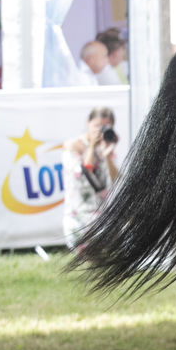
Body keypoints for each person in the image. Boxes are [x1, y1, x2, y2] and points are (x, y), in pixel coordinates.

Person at [62, 107, 119, 250]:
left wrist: (107, 156)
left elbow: (115, 181)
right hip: (78, 217)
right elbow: (81, 177)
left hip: (102, 218)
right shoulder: (73, 146)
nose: (100, 131)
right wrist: (92, 147)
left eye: (105, 127)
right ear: (88, 123)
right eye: (96, 126)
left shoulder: (106, 148)